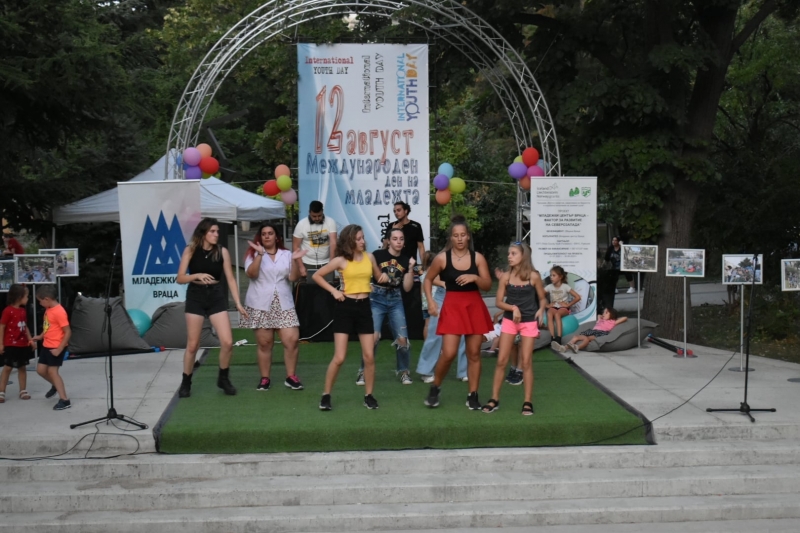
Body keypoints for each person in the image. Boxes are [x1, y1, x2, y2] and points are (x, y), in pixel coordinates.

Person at [312, 225, 388, 411]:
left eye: (363, 238)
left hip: (364, 308)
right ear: (349, 241)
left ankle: (369, 396)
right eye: (358, 238)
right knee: (339, 357)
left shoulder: (370, 257)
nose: (363, 241)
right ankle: (326, 395)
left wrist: (384, 277)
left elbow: (378, 276)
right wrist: (333, 291)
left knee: (369, 356)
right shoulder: (340, 260)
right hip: (345, 308)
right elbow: (317, 276)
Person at [423, 215, 493, 410]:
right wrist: (430, 302)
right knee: (449, 353)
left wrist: (475, 278)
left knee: (474, 353)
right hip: (452, 305)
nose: (460, 238)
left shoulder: (478, 258)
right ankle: (435, 387)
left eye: (463, 235)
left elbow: (487, 285)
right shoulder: (441, 258)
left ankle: (473, 395)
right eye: (456, 235)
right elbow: (427, 279)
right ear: (451, 238)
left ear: (468, 236)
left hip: (473, 305)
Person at [176, 218, 247, 398]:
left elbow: (230, 278)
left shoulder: (222, 251)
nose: (216, 234)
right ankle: (186, 382)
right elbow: (180, 278)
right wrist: (197, 275)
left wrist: (238, 303)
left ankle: (223, 378)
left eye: (217, 231)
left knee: (227, 342)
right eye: (212, 231)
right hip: (196, 296)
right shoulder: (190, 250)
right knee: (193, 345)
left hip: (216, 296)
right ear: (203, 233)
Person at [239, 222, 307, 391]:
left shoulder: (287, 254)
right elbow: (251, 274)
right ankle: (265, 378)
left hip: (284, 303)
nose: (267, 236)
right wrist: (260, 255)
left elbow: (293, 278)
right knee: (265, 343)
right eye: (264, 234)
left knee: (292, 340)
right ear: (260, 237)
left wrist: (296, 261)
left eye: (270, 233)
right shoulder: (253, 254)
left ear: (277, 237)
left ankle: (291, 377)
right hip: (260, 303)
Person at [483, 242, 546, 416]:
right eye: (509, 253)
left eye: (513, 253)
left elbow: (542, 298)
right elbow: (498, 302)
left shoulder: (533, 276)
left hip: (529, 321)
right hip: (510, 320)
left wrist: (541, 310)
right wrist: (513, 308)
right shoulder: (506, 276)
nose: (509, 256)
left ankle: (528, 402)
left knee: (526, 362)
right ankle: (494, 399)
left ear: (523, 256)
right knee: (501, 360)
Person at [357, 227, 416, 386]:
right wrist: (368, 284)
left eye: (401, 239)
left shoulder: (405, 260)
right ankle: (363, 371)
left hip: (395, 299)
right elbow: (364, 271)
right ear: (388, 241)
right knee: (373, 338)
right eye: (395, 239)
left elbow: (407, 288)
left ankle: (404, 371)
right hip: (377, 298)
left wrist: (410, 269)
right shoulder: (377, 255)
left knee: (402, 339)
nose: (398, 242)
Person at [31, 285, 71, 410]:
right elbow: (48, 327)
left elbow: (68, 332)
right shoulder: (49, 309)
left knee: (53, 372)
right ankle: (55, 385)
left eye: (40, 301)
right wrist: (41, 336)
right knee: (41, 370)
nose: (40, 303)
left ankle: (64, 400)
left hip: (56, 347)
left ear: (47, 299)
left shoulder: (59, 312)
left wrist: (59, 349)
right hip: (47, 345)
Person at [0, 285, 35, 403]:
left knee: (22, 367)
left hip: (22, 343)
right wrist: (1, 343)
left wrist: (30, 340)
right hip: (10, 343)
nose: (28, 298)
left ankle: (23, 390)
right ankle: (1, 391)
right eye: (26, 296)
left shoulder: (23, 311)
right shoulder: (7, 311)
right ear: (19, 297)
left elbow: (25, 326)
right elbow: (2, 326)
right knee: (8, 367)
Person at [552, 307, 628, 354]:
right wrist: (602, 316)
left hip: (600, 333)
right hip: (592, 331)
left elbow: (625, 318)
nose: (604, 314)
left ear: (612, 315)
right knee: (576, 337)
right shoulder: (600, 320)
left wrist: (614, 318)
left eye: (606, 313)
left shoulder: (612, 322)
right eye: (604, 312)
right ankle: (564, 348)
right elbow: (598, 315)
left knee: (587, 339)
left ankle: (577, 347)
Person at [293, 200, 338, 278]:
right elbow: (296, 247)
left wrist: (331, 263)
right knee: (308, 286)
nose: (317, 218)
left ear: (322, 211)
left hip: (326, 263)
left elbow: (333, 243)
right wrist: (301, 266)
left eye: (319, 216)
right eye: (314, 216)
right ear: (309, 212)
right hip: (307, 263)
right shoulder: (301, 224)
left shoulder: (330, 222)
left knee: (328, 285)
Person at [545, 265, 581, 346]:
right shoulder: (549, 287)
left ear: (560, 277)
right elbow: (540, 294)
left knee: (557, 315)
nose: (551, 277)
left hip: (563, 308)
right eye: (550, 275)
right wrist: (547, 305)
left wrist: (568, 305)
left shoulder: (565, 286)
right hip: (554, 307)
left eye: (554, 275)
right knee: (549, 313)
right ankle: (552, 338)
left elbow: (578, 297)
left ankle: (558, 338)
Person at [419, 251, 436, 340]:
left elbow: (421, 290)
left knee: (427, 324)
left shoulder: (423, 274)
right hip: (433, 302)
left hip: (425, 303)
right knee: (436, 324)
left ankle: (426, 343)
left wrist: (423, 302)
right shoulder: (433, 273)